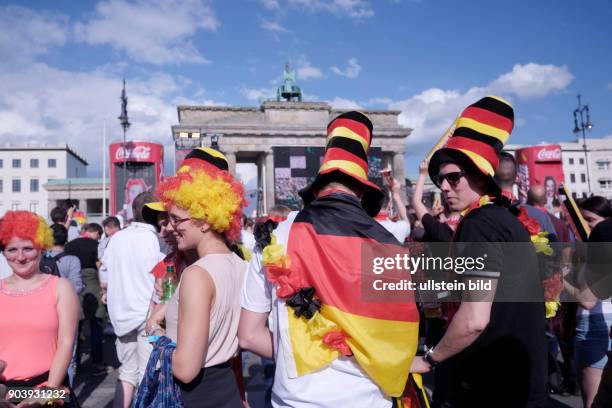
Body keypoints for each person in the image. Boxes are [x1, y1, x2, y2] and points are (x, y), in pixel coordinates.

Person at [239, 111, 420, 407]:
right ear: (362, 190)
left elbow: (247, 337)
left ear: (318, 184)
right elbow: (399, 338)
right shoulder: (391, 246)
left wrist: (294, 350)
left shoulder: (274, 236)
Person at [412, 96, 548, 407]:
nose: (444, 187)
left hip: (492, 386)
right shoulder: (503, 218)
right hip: (516, 382)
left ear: (479, 175)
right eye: (439, 180)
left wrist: (429, 360)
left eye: (453, 177)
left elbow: (474, 318)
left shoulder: (480, 224)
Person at [144, 163, 247, 407]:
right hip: (227, 389)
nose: (171, 227)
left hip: (195, 396)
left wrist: (154, 334)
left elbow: (185, 370)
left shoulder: (197, 274)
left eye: (177, 220)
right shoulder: (241, 266)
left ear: (205, 221)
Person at [0, 211, 79, 405]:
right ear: (3, 252)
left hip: (50, 389)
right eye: (12, 250)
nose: (20, 257)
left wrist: (48, 395)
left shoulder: (61, 287)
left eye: (28, 248)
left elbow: (66, 343)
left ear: (41, 248)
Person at [103, 192, 164, 408]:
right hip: (149, 312)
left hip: (121, 314)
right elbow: (164, 276)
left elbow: (105, 274)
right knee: (150, 374)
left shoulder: (116, 238)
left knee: (127, 373)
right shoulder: (157, 240)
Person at [570, 197, 612, 408]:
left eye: (590, 219)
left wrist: (563, 276)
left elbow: (587, 300)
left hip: (595, 327)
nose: (583, 225)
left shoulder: (603, 235)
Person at [376, 174, 411, 243]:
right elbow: (407, 223)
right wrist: (396, 195)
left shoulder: (361, 225)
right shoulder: (399, 227)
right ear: (389, 205)